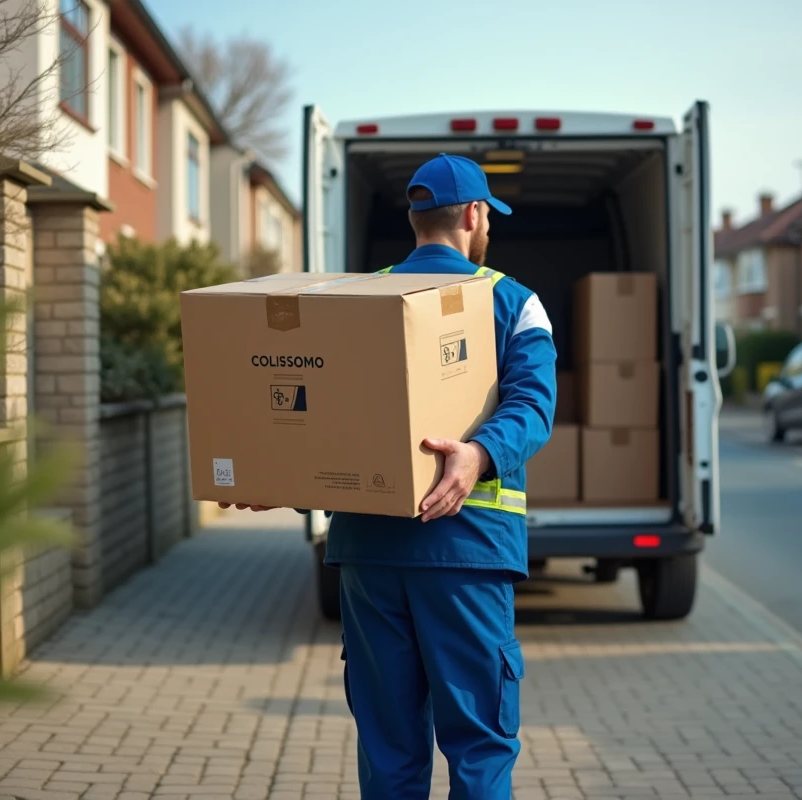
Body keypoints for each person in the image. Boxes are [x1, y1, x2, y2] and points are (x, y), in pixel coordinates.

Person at [224, 153, 557, 799]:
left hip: (369, 554)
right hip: (467, 550)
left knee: (389, 749)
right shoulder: (515, 301)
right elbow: (532, 406)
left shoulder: (351, 298)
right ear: (473, 215)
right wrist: (478, 455)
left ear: (414, 219)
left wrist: (275, 476)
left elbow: (315, 410)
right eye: (487, 215)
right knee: (480, 748)